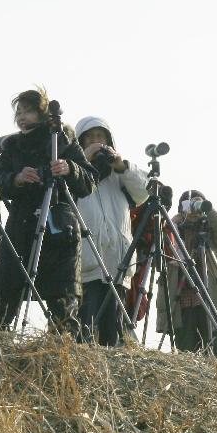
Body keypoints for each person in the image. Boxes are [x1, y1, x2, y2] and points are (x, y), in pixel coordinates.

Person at [0, 89, 96, 332]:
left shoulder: (62, 138)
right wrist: (17, 178)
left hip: (58, 227)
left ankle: (63, 353)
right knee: (2, 296)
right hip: (20, 226)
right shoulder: (13, 145)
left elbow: (89, 180)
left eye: (29, 111)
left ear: (43, 112)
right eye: (19, 112)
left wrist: (69, 168)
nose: (22, 116)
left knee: (63, 303)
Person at [73, 116, 148, 345]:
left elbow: (144, 192)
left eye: (101, 138)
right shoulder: (74, 170)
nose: (96, 142)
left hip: (117, 261)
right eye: (90, 138)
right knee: (84, 326)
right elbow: (64, 192)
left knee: (112, 332)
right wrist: (83, 161)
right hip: (87, 261)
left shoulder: (120, 175)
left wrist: (121, 165)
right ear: (80, 142)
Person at [159, 190, 217, 353]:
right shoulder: (173, 231)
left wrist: (209, 211)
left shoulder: (211, 231)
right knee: (187, 352)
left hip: (211, 298)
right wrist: (173, 222)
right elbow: (159, 254)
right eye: (191, 205)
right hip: (182, 301)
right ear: (182, 208)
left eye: (199, 204)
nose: (195, 210)